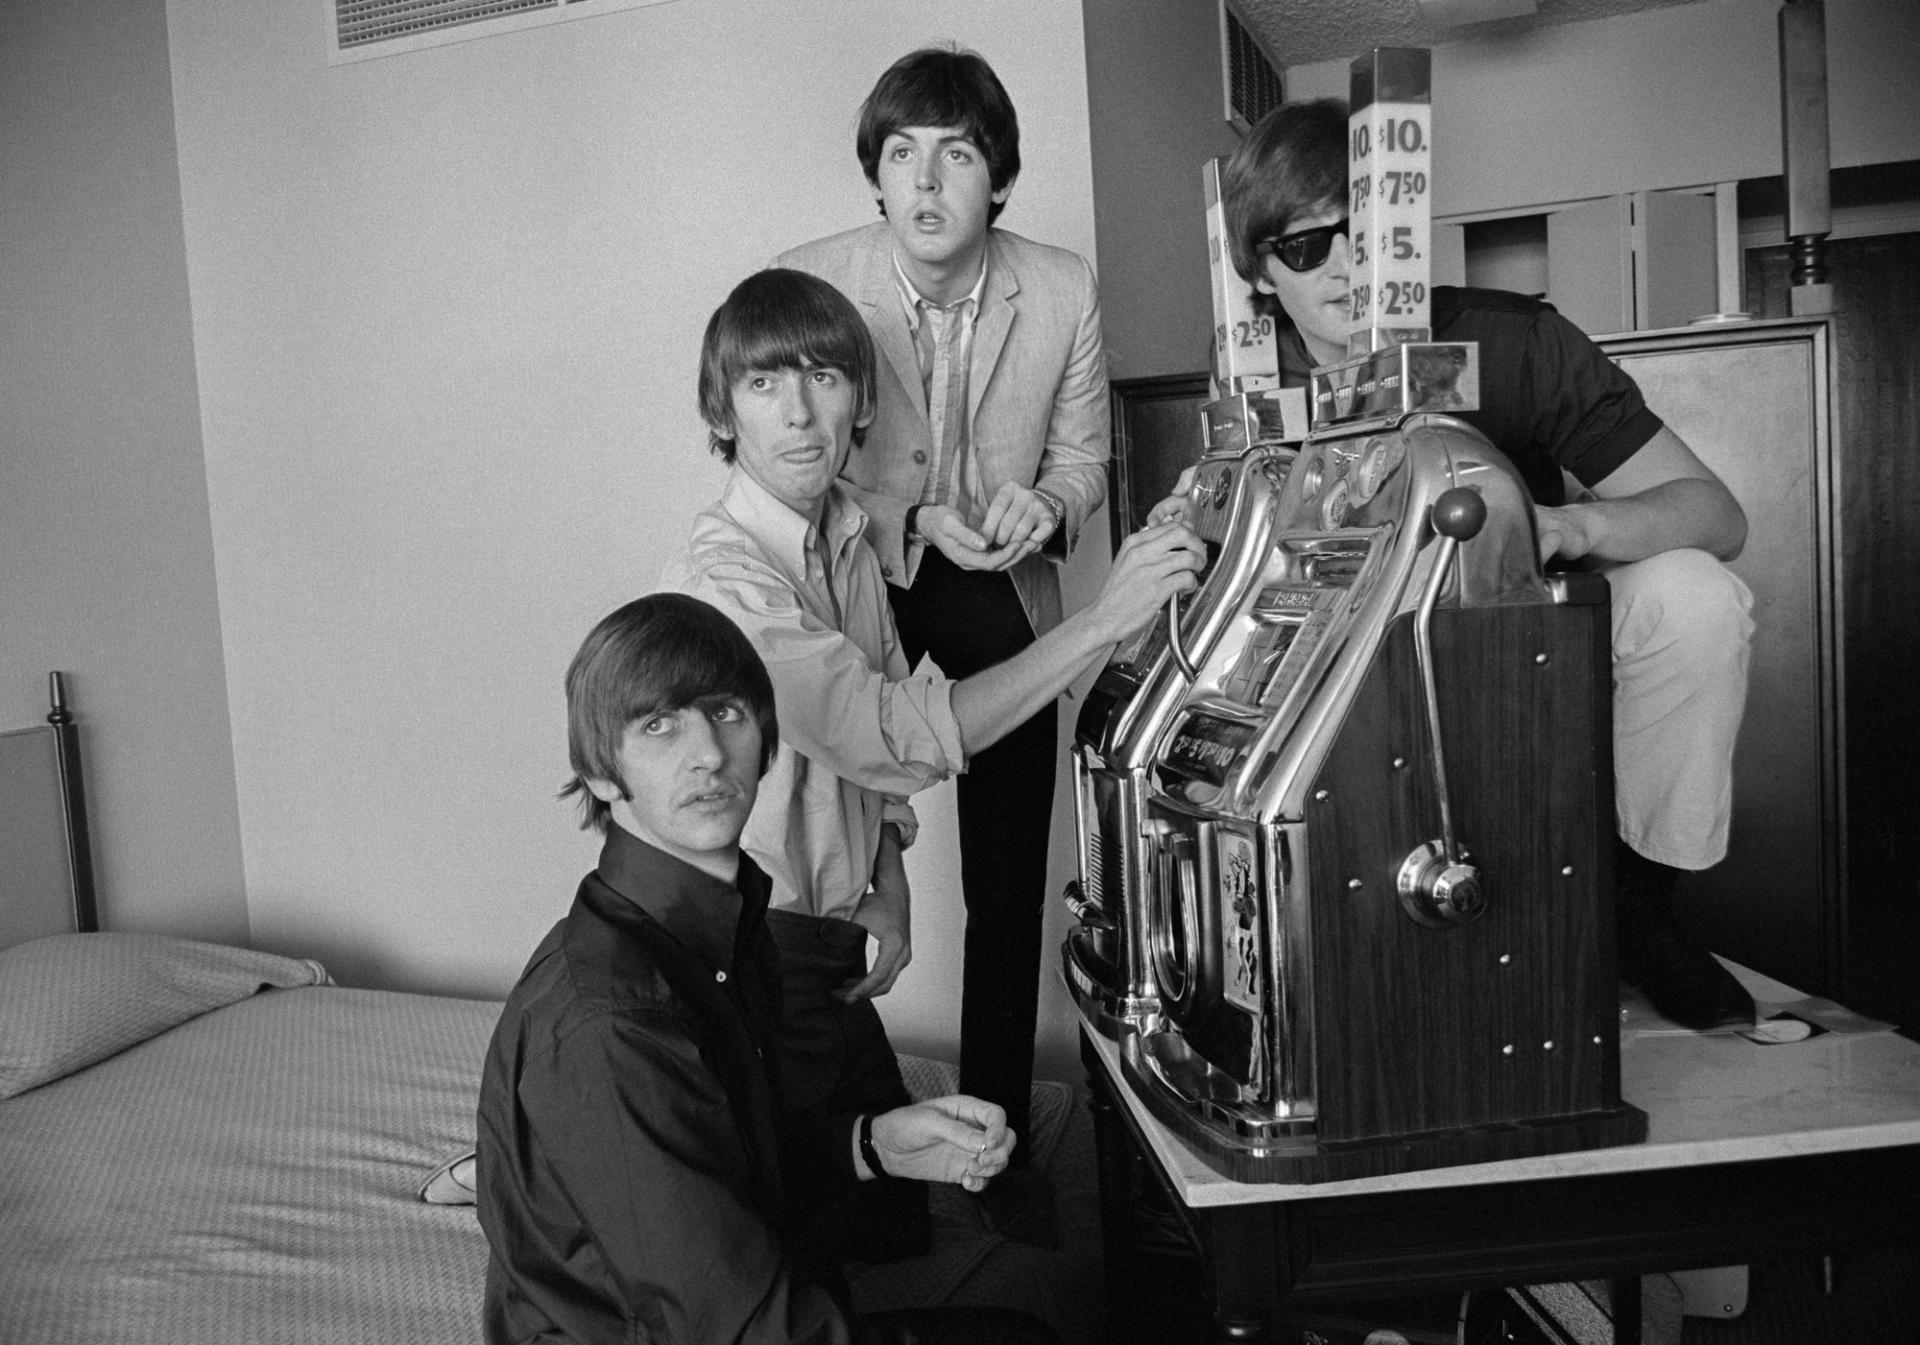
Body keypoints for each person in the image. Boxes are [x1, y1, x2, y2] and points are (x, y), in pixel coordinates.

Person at [1163, 98, 1754, 1031]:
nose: (1346, 264)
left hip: (1510, 639)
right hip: (1339, 658)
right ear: (1262, 274)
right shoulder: (1249, 373)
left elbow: (1715, 514)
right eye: (1307, 246)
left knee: (1697, 597)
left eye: (1364, 233)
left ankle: (1639, 907)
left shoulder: (1513, 341)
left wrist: (1568, 525)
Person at [658, 267, 1201, 1242]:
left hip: (818, 942)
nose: (799, 412)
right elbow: (883, 731)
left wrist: (888, 876)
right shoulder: (725, 578)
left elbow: (876, 717)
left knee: (897, 1226)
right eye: (765, 383)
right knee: (809, 1236)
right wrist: (1101, 622)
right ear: (721, 410)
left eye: (824, 377)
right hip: (741, 952)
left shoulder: (847, 533)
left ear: (861, 403)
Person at [474, 592, 1060, 1345]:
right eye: (659, 725)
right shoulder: (615, 1022)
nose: (710, 754)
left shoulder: (726, 927)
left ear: (767, 743)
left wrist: (871, 1143)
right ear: (600, 773)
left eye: (727, 713)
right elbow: (735, 1326)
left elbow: (733, 1154)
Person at [772, 46, 1108, 1172]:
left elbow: (1085, 458)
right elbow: (796, 462)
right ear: (875, 175)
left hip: (997, 582)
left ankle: (993, 1136)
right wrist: (912, 519)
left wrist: (1046, 506)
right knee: (820, 848)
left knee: (1008, 887)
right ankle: (832, 1111)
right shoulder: (813, 278)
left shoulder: (1060, 286)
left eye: (956, 155)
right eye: (901, 154)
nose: (924, 181)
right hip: (859, 570)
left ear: (998, 179)